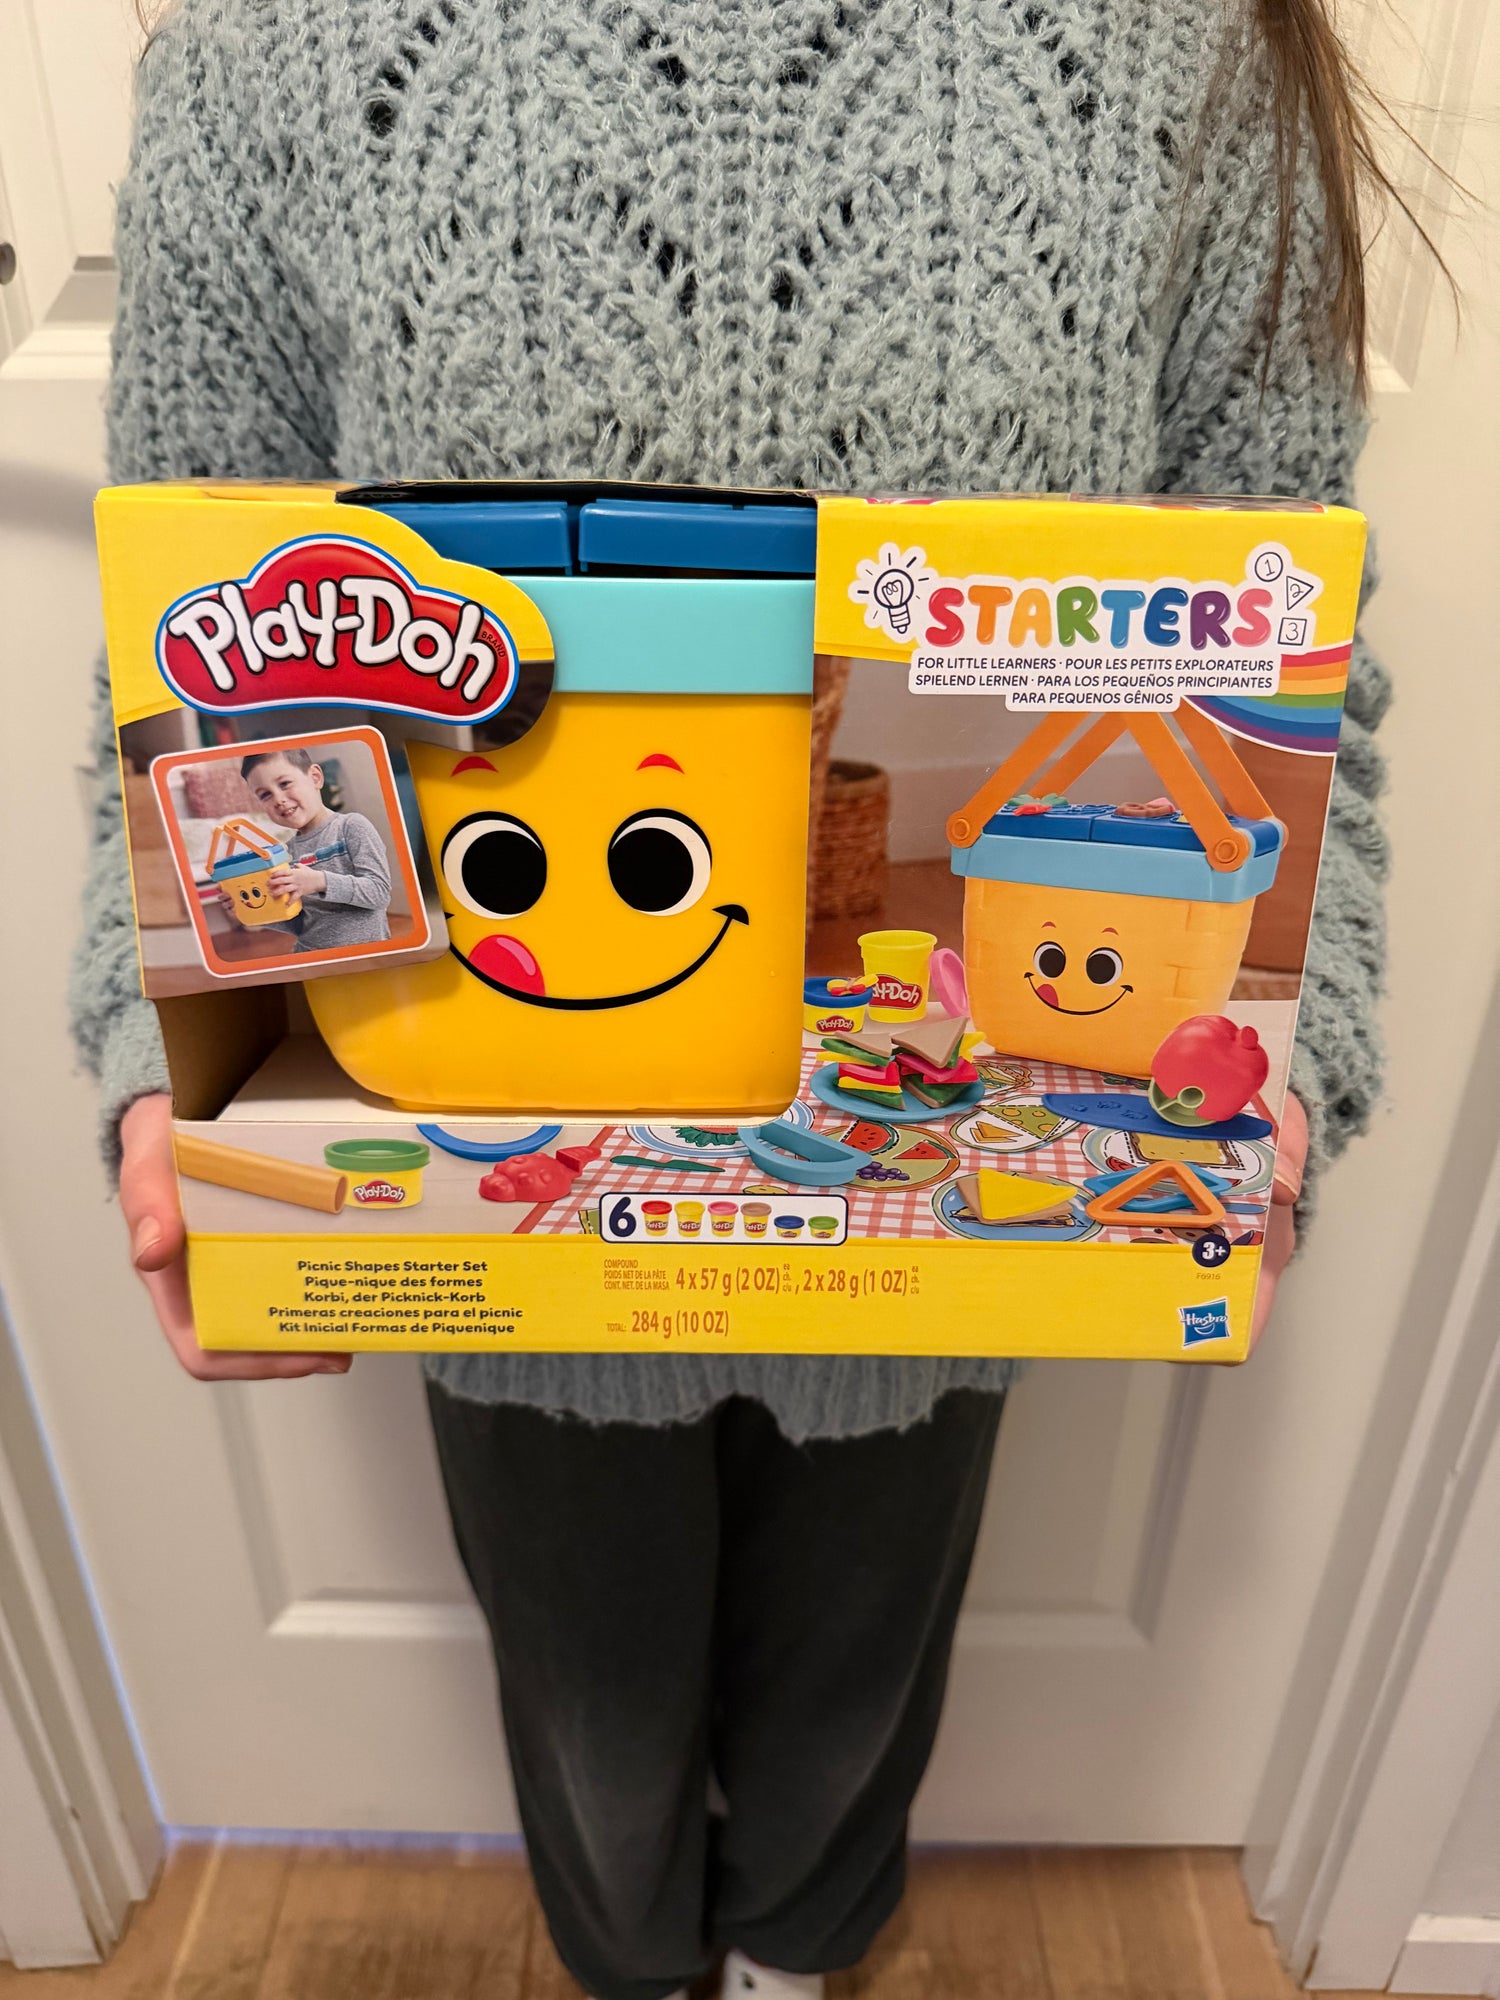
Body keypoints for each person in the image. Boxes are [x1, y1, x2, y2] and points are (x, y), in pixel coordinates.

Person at [73, 2, 1399, 1995]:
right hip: (491, 1204)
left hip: (943, 1224)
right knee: (594, 1740)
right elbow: (176, 650)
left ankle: (794, 1954)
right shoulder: (275, 47)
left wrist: (1289, 1052)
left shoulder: (1193, 45)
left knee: (851, 1711)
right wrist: (165, 1071)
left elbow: (1296, 647)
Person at [234, 747, 393, 951]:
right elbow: (300, 924)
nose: (278, 799)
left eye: (284, 784)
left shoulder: (351, 826)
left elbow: (379, 893)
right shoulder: (287, 852)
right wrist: (250, 910)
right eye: (265, 795)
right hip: (308, 954)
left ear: (315, 778)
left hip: (365, 956)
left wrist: (320, 882)